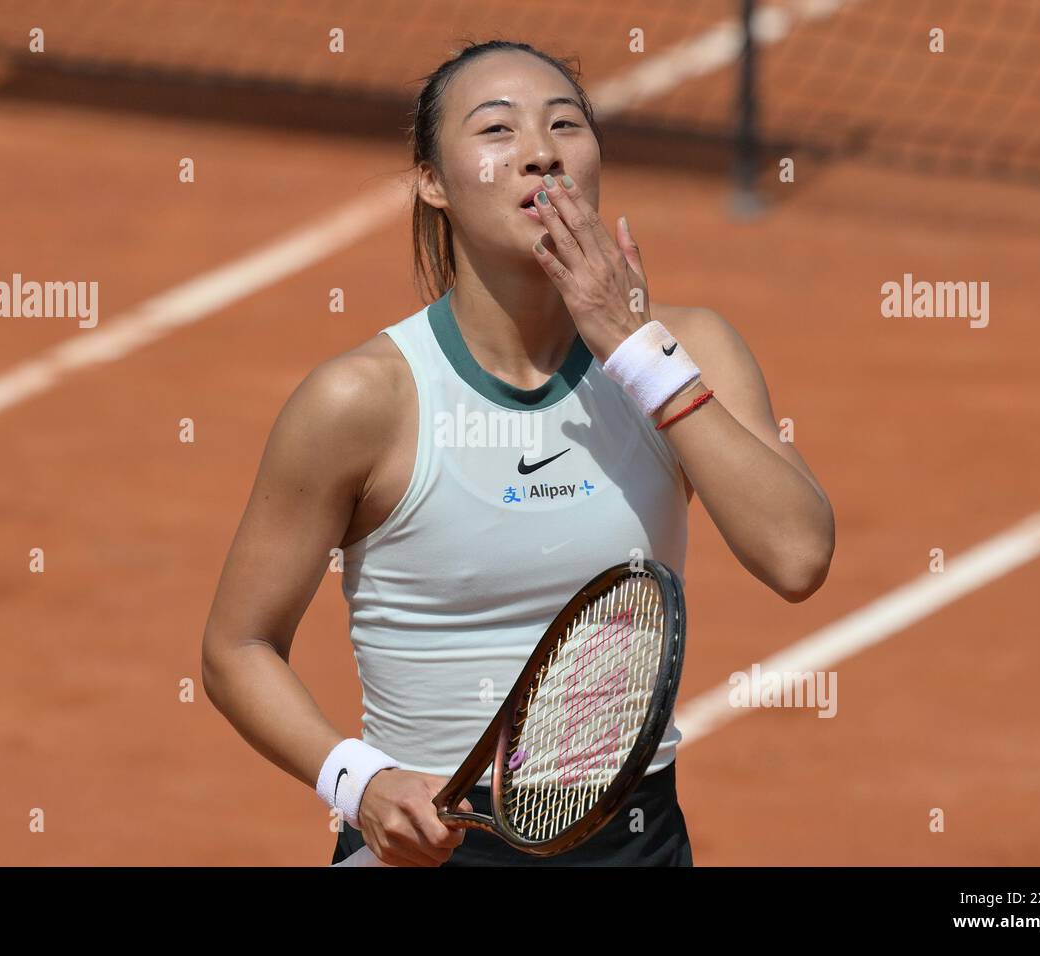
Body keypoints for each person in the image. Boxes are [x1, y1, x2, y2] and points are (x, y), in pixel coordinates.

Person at [201, 39, 835, 867]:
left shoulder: (686, 351)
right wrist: (357, 781)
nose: (541, 151)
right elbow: (236, 648)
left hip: (634, 840)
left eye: (566, 124)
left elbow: (796, 555)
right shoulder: (363, 402)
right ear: (433, 181)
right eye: (496, 129)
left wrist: (634, 349)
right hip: (430, 839)